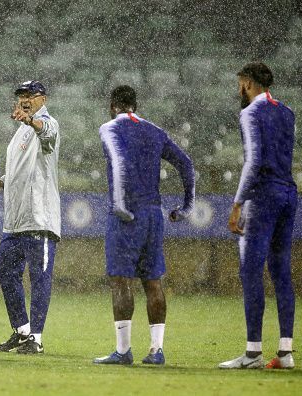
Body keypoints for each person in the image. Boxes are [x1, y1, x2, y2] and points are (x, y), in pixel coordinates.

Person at [93, 85, 194, 366]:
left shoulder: (110, 128)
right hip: (154, 214)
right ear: (134, 106)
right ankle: (156, 350)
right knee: (152, 282)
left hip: (127, 214)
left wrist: (119, 204)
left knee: (120, 281)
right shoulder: (154, 131)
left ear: (114, 105)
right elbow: (186, 164)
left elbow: (118, 161)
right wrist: (186, 207)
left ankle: (123, 351)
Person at [220, 62, 297, 370]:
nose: (239, 89)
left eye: (240, 83)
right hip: (289, 194)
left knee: (251, 271)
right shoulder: (287, 112)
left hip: (263, 196)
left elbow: (253, 161)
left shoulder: (250, 113)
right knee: (281, 272)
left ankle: (252, 353)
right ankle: (285, 353)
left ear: (248, 84)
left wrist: (238, 203)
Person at [0, 80, 60, 354]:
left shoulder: (47, 122)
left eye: (30, 95)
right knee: (3, 268)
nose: (24, 99)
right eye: (20, 95)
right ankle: (22, 330)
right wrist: (0, 182)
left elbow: (47, 135)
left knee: (39, 277)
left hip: (40, 218)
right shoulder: (21, 131)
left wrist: (32, 121)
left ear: (42, 98)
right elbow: (22, 168)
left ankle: (37, 338)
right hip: (16, 220)